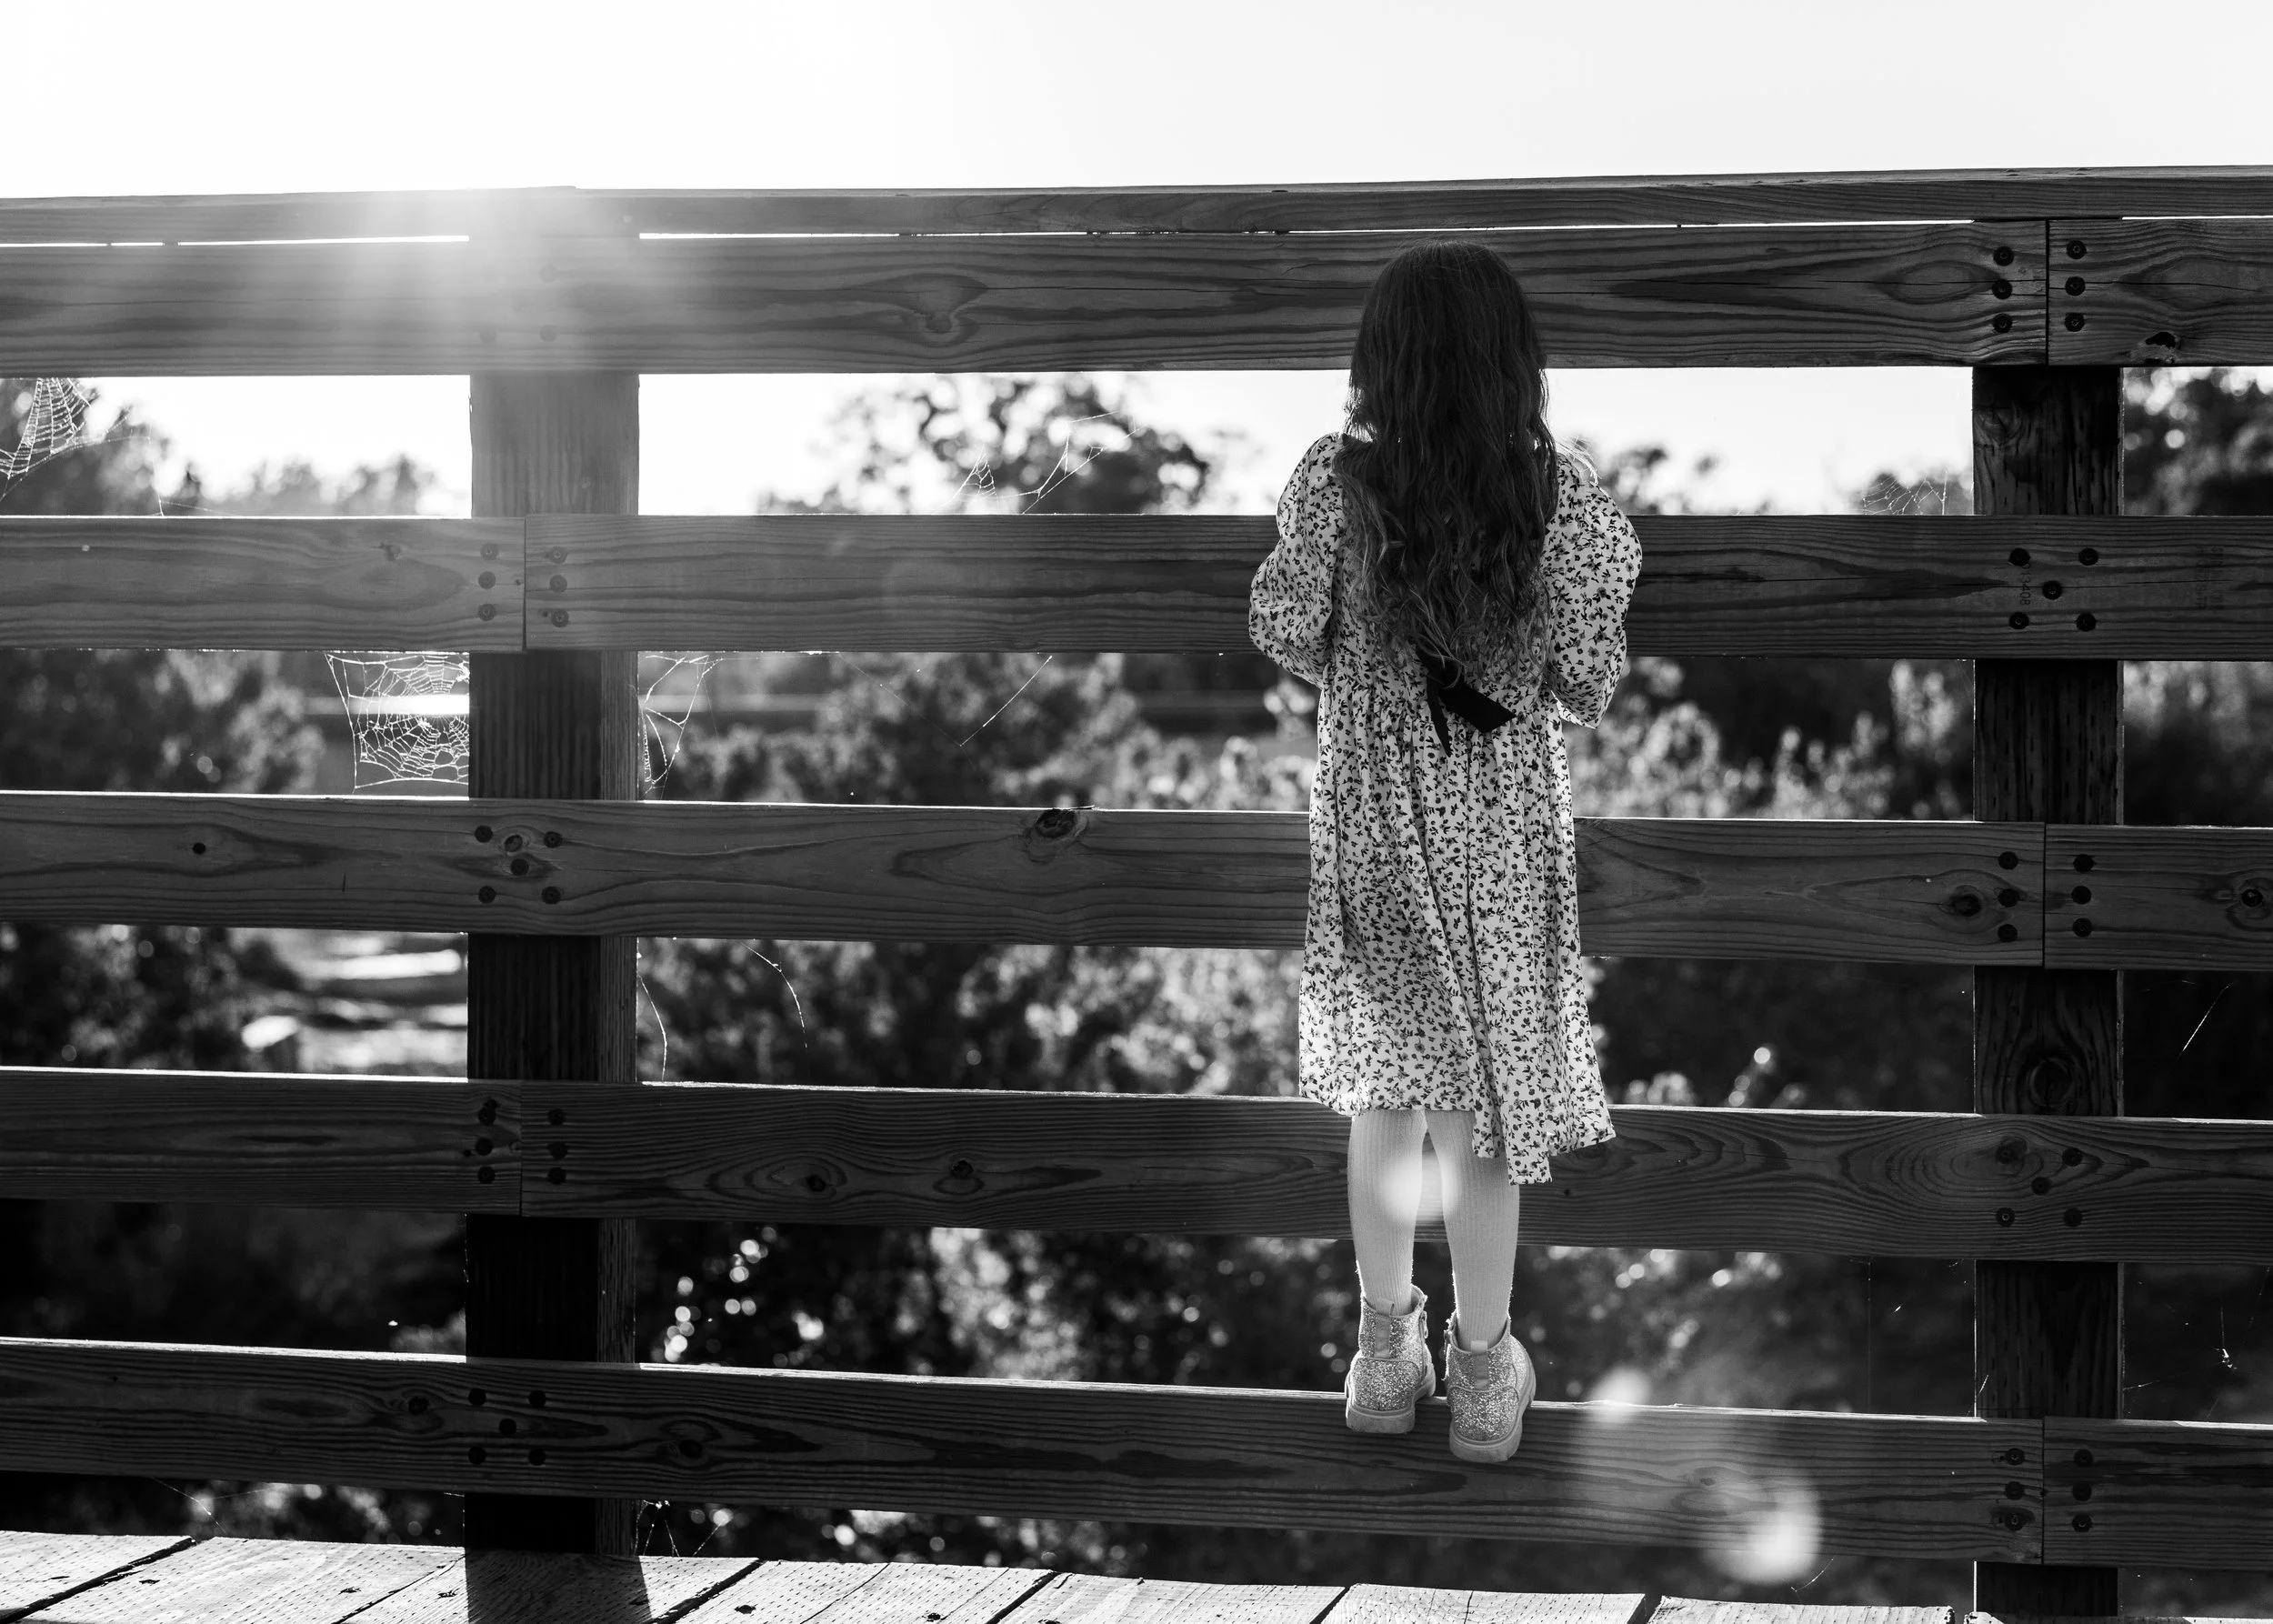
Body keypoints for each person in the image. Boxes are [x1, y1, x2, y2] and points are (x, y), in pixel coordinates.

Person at [1247, 240, 1642, 1463]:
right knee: (1483, 1104)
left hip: (1371, 814)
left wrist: (1369, 672)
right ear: (1514, 363)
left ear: (1380, 361)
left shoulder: (1334, 478)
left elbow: (1279, 624)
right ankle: (1481, 1371)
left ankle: (1379, 1352)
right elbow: (1588, 678)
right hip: (1504, 832)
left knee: (1390, 1089)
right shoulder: (1560, 497)